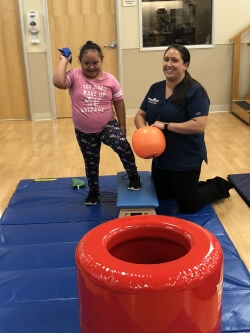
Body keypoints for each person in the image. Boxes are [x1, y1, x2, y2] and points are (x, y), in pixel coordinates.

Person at [134, 44, 233, 213]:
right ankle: (188, 187)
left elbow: (199, 125)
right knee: (163, 194)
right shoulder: (155, 88)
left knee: (188, 205)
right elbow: (139, 115)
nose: (169, 64)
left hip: (185, 158)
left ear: (185, 65)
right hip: (161, 157)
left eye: (175, 60)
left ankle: (218, 184)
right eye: (166, 59)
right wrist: (144, 132)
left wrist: (165, 126)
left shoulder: (195, 91)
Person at [53, 41, 141, 205]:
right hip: (84, 130)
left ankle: (134, 177)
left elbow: (119, 102)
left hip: (107, 125)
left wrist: (122, 125)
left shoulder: (110, 80)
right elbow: (58, 82)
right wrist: (64, 61)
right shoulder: (74, 76)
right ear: (80, 61)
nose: (91, 67)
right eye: (87, 63)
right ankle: (94, 192)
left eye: (95, 63)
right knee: (91, 162)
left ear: (101, 60)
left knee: (123, 146)